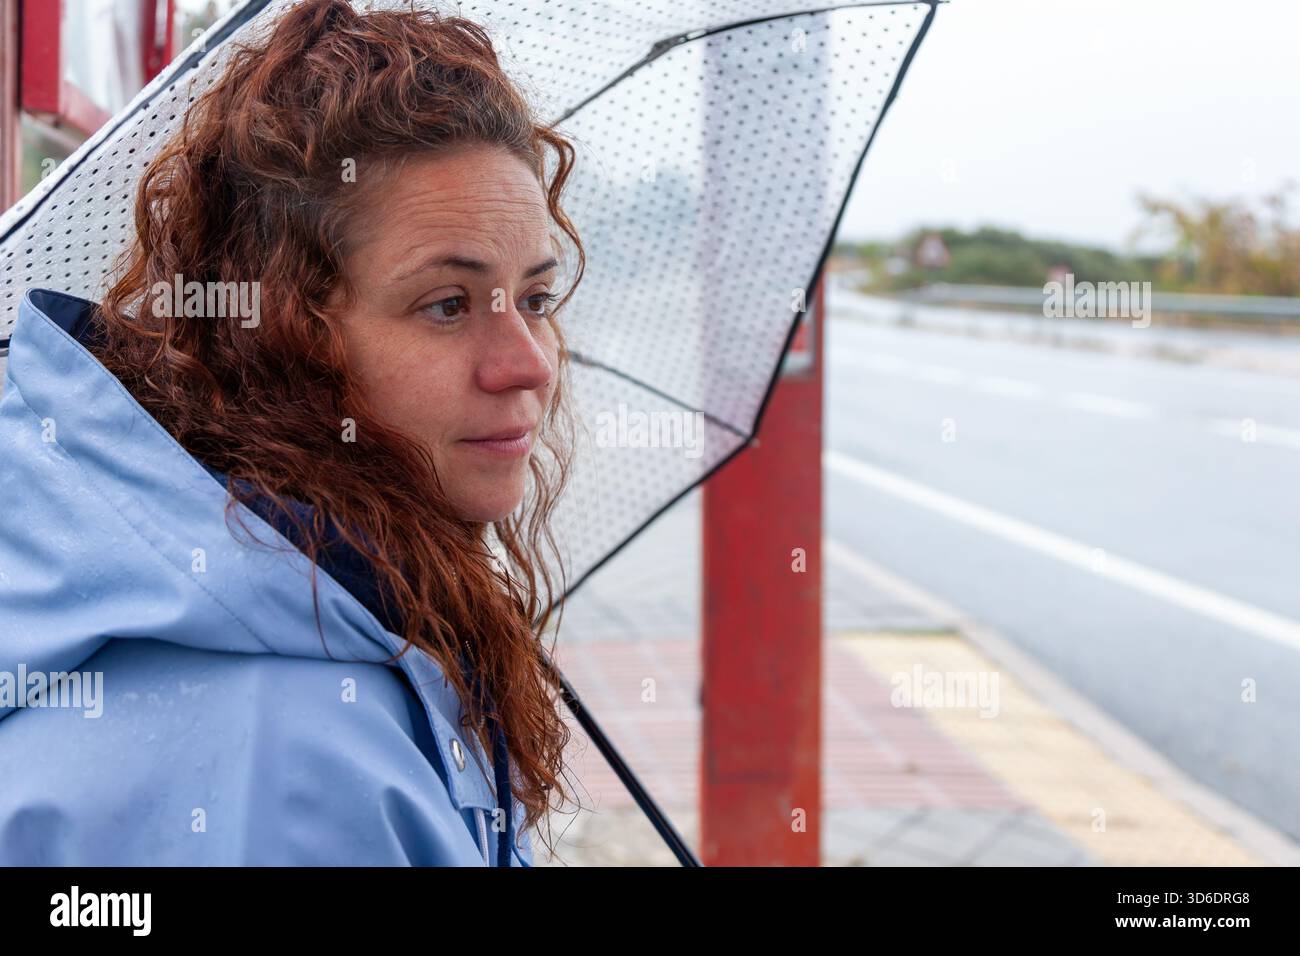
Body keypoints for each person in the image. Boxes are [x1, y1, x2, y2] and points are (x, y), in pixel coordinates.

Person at [0, 0, 583, 866]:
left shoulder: (331, 615)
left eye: (534, 298)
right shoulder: (295, 757)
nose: (527, 363)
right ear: (281, 337)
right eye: (448, 305)